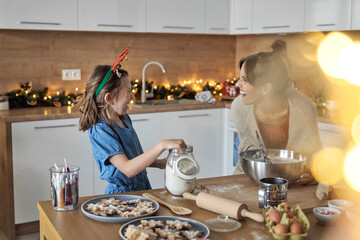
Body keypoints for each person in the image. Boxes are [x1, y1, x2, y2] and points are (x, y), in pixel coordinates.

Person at [74, 51, 187, 194]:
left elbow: (134, 158)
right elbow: (128, 169)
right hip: (121, 197)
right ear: (109, 99)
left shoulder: (124, 118)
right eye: (128, 91)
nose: (133, 96)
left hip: (143, 188)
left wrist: (160, 163)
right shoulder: (100, 130)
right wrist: (162, 145)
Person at [231, 40, 322, 185]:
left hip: (295, 182)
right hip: (253, 178)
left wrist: (313, 174)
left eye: (245, 80)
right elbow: (248, 152)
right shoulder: (240, 107)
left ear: (266, 88)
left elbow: (316, 156)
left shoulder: (304, 108)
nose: (237, 84)